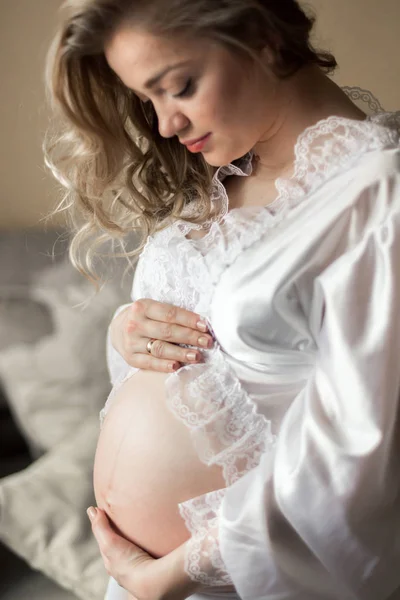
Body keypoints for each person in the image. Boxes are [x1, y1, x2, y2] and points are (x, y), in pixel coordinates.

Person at [45, 0, 400, 599]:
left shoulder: (376, 194)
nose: (164, 125)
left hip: (240, 582)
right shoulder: (218, 178)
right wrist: (128, 334)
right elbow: (200, 375)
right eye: (148, 100)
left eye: (179, 87)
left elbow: (363, 451)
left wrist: (170, 575)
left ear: (261, 36)